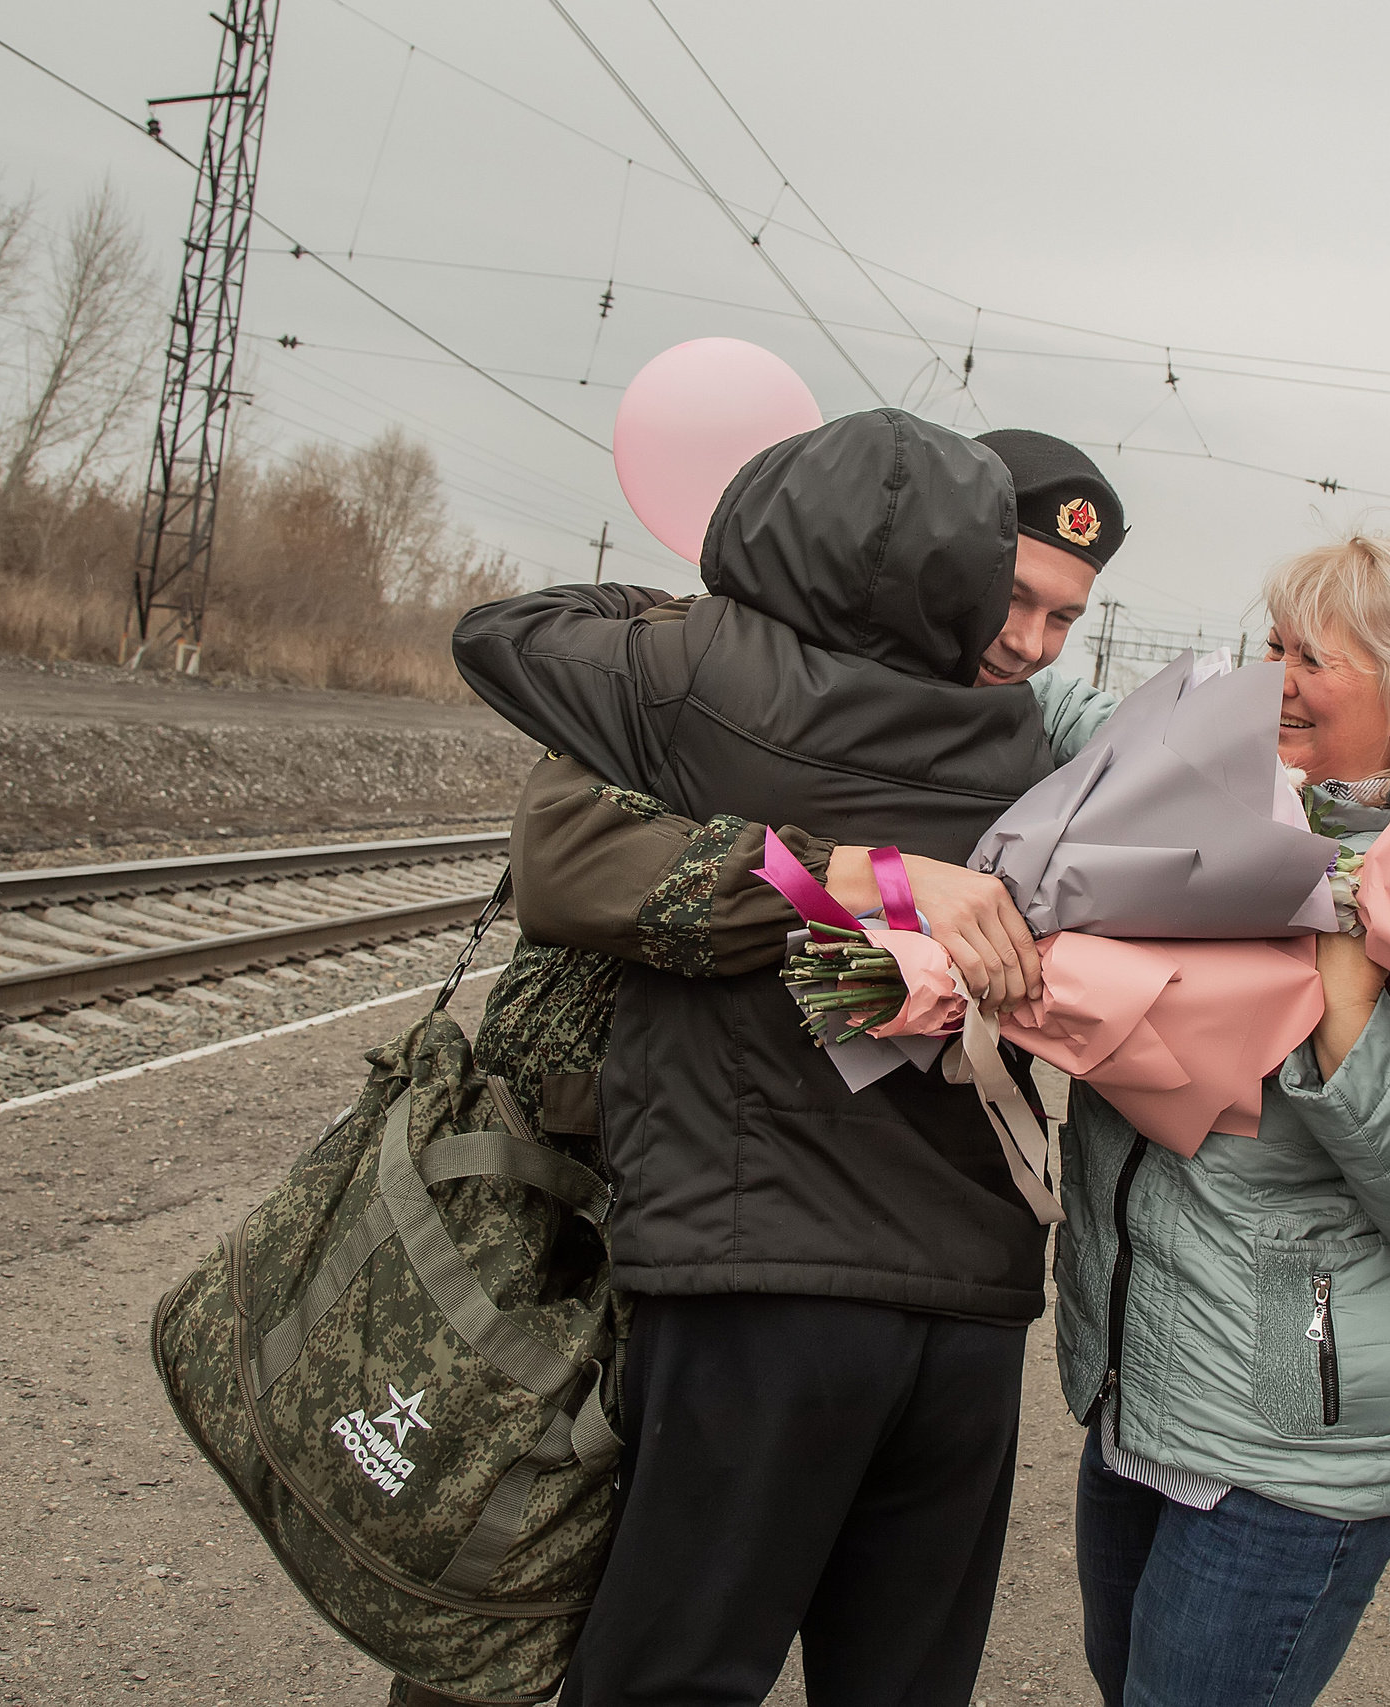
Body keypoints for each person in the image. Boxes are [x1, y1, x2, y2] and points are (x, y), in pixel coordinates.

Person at [445, 412, 1125, 1706]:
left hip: (755, 1279)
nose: (1027, 643)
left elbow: (504, 640)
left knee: (673, 1670)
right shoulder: (1027, 755)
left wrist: (700, 602)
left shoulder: (699, 681)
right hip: (965, 1304)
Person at [1055, 534, 1390, 1707]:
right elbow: (1050, 703)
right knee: (1123, 1680)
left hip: (1296, 1402)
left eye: (1309, 656)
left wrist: (1350, 1020)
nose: (1269, 674)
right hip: (1146, 1377)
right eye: (1269, 643)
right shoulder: (1211, 816)